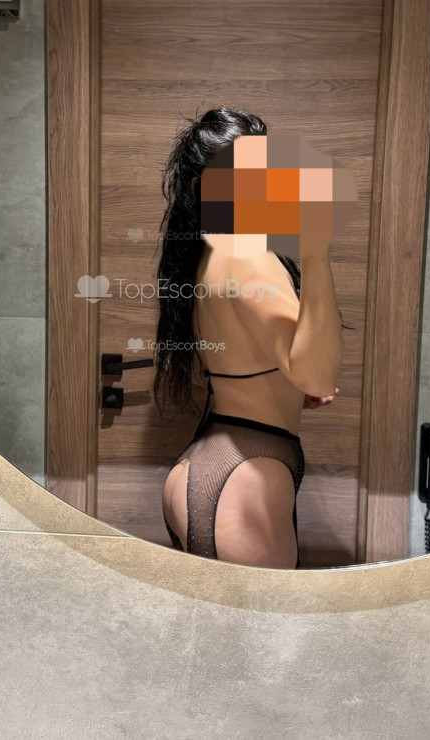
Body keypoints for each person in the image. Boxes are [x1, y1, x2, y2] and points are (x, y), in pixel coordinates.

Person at [155, 106, 342, 569]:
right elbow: (317, 377)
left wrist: (288, 381)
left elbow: (267, 357)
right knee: (263, 620)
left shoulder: (212, 252)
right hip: (243, 476)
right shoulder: (245, 252)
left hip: (216, 461)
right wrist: (315, 253)